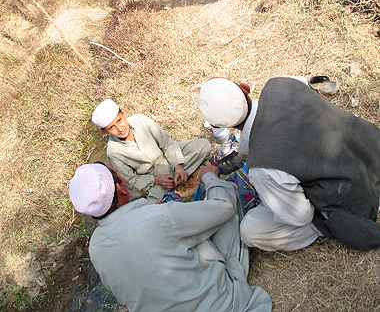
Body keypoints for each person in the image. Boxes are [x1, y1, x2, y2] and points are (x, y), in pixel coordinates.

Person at [197, 76, 380, 252]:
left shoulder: (262, 166)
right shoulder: (280, 83)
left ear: (215, 124)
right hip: (371, 149)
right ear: (245, 88)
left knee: (250, 230)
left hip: (357, 197)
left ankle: (325, 225)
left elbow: (300, 215)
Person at [69, 162, 272, 312]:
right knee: (226, 202)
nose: (124, 178)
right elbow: (224, 208)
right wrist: (210, 177)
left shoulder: (95, 248)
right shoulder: (157, 216)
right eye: (119, 175)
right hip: (223, 305)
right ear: (121, 189)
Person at [92, 99, 211, 203]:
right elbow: (131, 180)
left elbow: (166, 142)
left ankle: (177, 178)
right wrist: (157, 180)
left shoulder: (140, 120)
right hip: (153, 179)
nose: (120, 128)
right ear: (105, 131)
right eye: (111, 127)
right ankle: (176, 182)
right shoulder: (114, 151)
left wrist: (178, 166)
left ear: (123, 112)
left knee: (203, 145)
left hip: (165, 157)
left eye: (119, 120)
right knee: (152, 207)